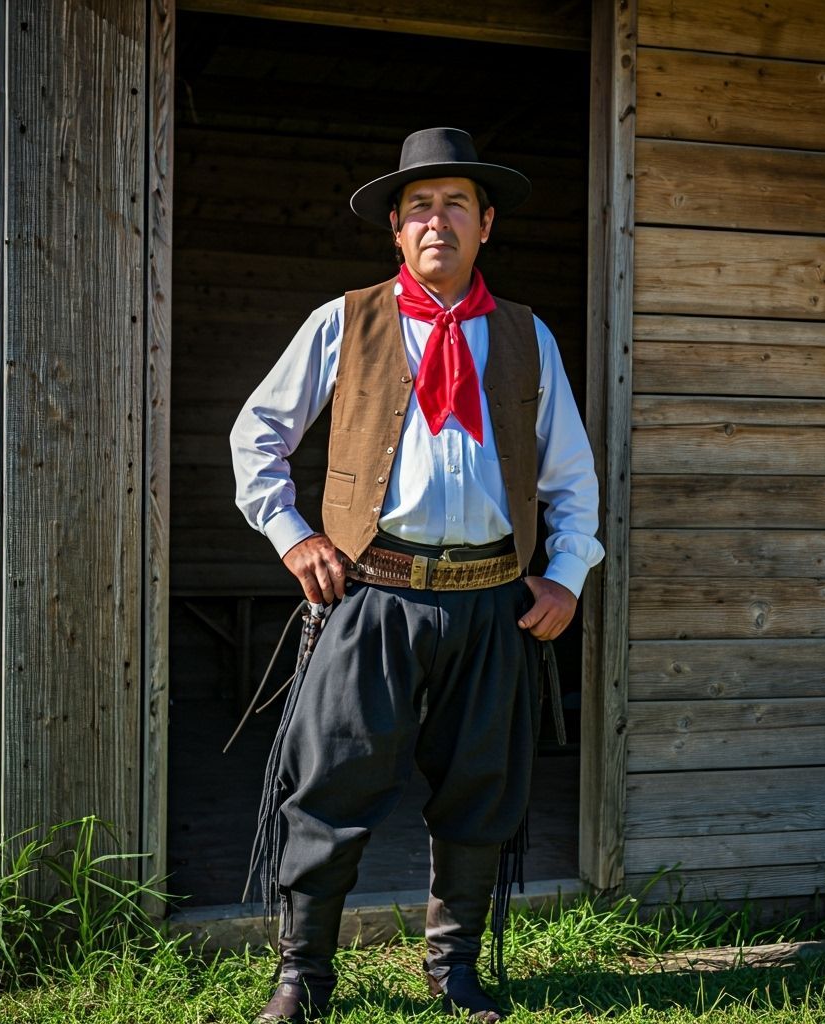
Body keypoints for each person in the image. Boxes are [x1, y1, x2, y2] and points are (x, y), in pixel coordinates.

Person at [231, 126, 604, 1023]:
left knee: (483, 791)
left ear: (485, 228)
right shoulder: (344, 321)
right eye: (420, 207)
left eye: (457, 206)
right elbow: (258, 437)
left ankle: (453, 972)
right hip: (373, 597)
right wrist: (292, 536)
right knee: (332, 786)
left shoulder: (526, 336)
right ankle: (303, 980)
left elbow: (573, 479)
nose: (439, 221)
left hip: (491, 604)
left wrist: (566, 575)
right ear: (397, 229)